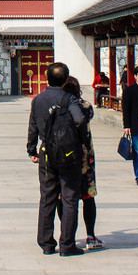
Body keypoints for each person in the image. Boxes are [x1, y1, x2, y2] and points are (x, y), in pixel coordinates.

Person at [26, 61, 90, 257]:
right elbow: (80, 120)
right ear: (65, 79)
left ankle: (46, 243)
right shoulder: (70, 99)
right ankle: (67, 244)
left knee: (47, 198)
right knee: (69, 198)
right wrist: (79, 140)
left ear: (47, 78)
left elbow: (33, 126)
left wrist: (32, 150)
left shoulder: (38, 100)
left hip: (46, 152)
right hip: (68, 154)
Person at [55, 77, 102, 251]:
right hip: (84, 159)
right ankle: (90, 235)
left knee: (63, 197)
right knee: (88, 196)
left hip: (64, 157)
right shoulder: (85, 106)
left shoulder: (58, 107)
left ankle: (68, 234)